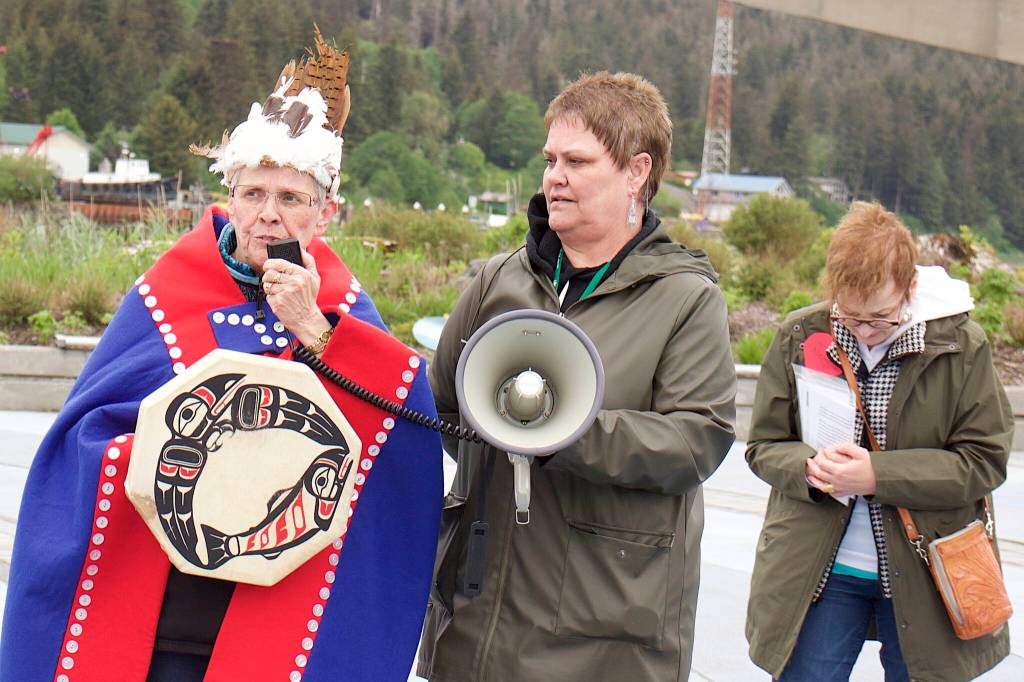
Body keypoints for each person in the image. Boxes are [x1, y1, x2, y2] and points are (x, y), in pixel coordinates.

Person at [0, 30, 441, 682]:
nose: (268, 215)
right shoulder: (164, 299)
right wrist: (168, 459)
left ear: (325, 213)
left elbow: (394, 455)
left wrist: (315, 332)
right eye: (254, 194)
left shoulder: (347, 317)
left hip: (275, 619)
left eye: (290, 199)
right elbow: (82, 442)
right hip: (158, 622)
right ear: (229, 196)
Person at [417, 71, 736, 681]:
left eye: (577, 161)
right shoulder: (498, 280)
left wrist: (560, 434)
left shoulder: (685, 299)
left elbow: (697, 440)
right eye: (550, 160)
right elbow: (440, 405)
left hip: (603, 630)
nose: (554, 177)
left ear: (636, 172)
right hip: (478, 618)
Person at [745, 202, 1012, 681]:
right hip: (818, 569)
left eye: (881, 318)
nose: (865, 332)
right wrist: (808, 468)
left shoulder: (960, 345)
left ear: (910, 289)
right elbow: (763, 444)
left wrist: (877, 475)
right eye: (850, 317)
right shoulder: (800, 334)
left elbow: (983, 461)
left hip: (930, 571)